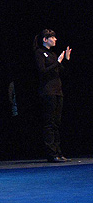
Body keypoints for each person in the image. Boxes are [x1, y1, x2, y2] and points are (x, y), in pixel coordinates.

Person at [33, 29, 71, 163]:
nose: (55, 40)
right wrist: (58, 62)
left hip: (57, 91)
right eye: (52, 37)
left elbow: (62, 72)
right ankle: (51, 153)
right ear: (45, 39)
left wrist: (65, 60)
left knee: (57, 123)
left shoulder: (53, 54)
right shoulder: (39, 52)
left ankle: (58, 152)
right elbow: (42, 71)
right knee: (49, 123)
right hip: (47, 91)